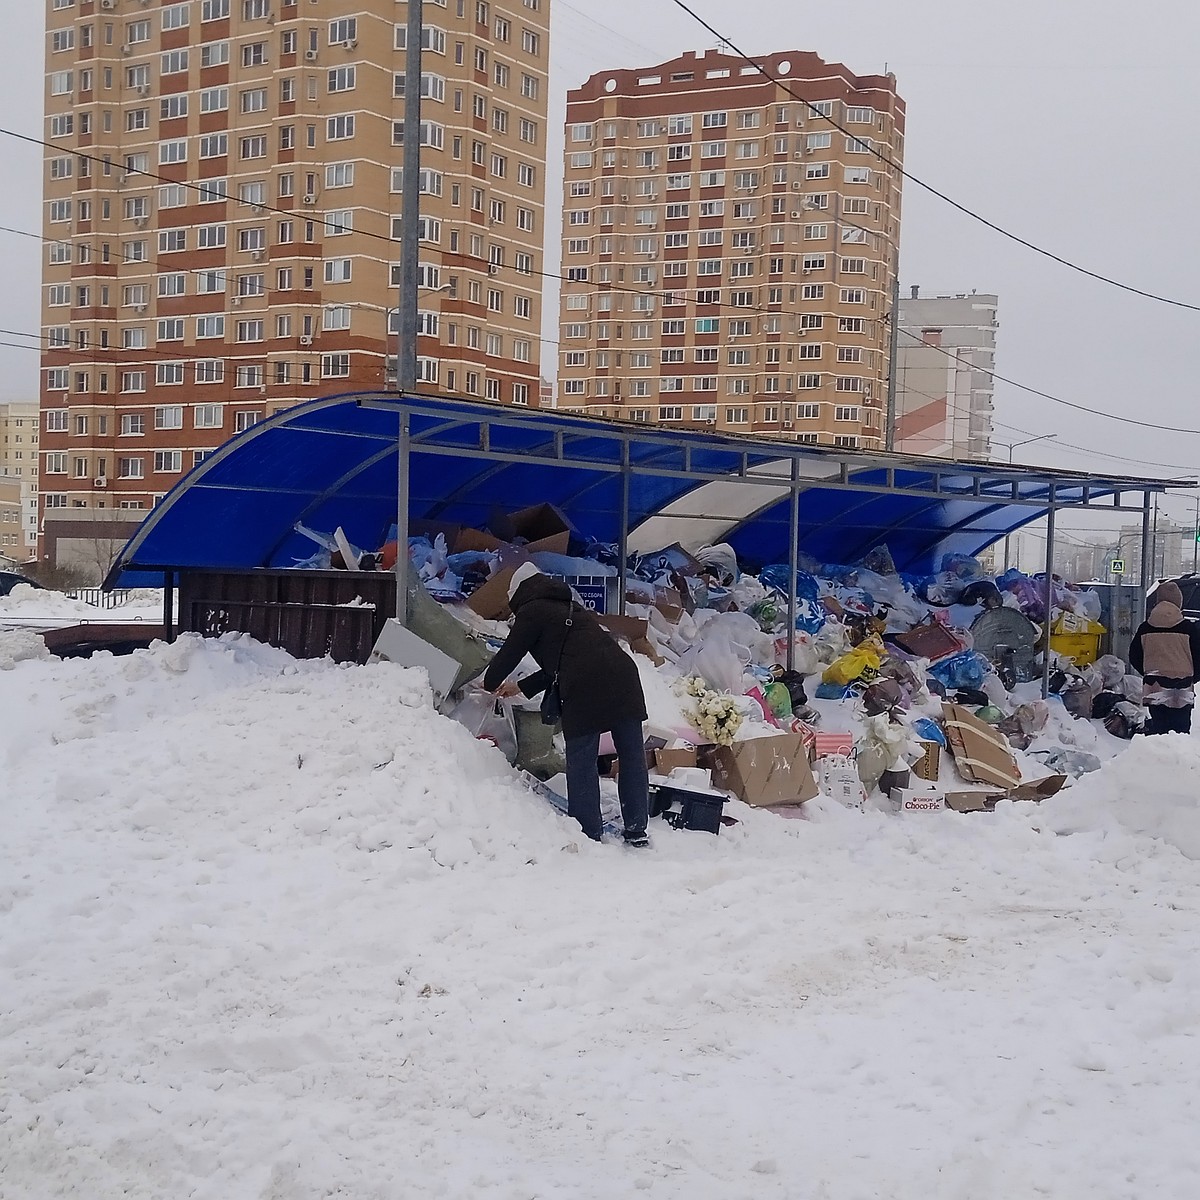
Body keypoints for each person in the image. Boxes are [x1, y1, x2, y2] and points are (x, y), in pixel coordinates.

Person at [483, 563, 650, 845]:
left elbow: (509, 654)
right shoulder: (569, 608)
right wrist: (520, 687)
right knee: (632, 754)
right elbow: (556, 665)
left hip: (585, 686)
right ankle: (636, 829)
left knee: (582, 757)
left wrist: (488, 683)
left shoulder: (532, 611)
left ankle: (588, 831)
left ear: (519, 594)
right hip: (624, 675)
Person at [1129, 580, 1200, 735]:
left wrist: (1149, 673)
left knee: (1159, 728)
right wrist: (1192, 678)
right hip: (1182, 686)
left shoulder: (1145, 627)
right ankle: (1177, 758)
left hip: (1154, 686)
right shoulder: (1188, 628)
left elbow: (1134, 656)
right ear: (1178, 602)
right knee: (1180, 731)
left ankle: (1159, 757)